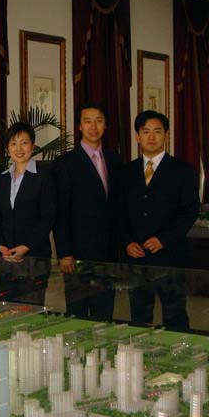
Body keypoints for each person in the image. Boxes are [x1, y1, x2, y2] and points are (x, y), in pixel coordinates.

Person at [119, 110, 199, 330]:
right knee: (139, 316)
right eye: (146, 132)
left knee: (175, 315)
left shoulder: (183, 170)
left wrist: (164, 239)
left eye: (157, 131)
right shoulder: (126, 171)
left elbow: (190, 211)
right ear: (138, 137)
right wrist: (127, 242)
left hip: (171, 255)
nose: (151, 137)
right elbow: (119, 212)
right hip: (137, 257)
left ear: (166, 135)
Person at [52, 102, 122, 320]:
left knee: (105, 312)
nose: (93, 126)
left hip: (108, 253)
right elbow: (60, 212)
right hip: (77, 254)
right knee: (78, 312)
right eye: (87, 121)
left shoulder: (115, 159)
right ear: (79, 126)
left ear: (105, 125)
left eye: (98, 121)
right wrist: (64, 252)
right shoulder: (65, 163)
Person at [0, 122, 56, 260]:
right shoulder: (1, 179)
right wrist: (0, 245)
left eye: (24, 143)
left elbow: (48, 217)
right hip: (5, 254)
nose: (18, 148)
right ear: (8, 148)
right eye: (13, 143)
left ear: (33, 146)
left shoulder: (44, 177)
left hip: (36, 254)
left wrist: (27, 246)